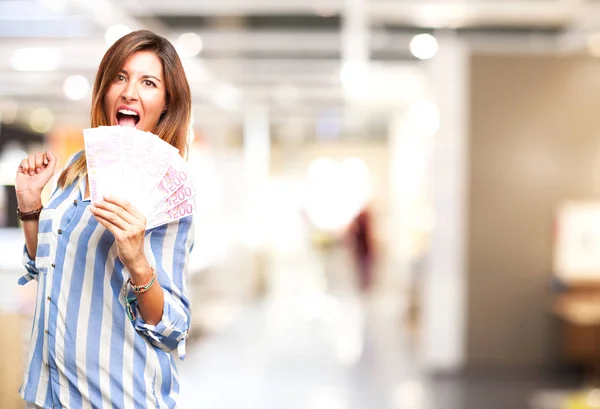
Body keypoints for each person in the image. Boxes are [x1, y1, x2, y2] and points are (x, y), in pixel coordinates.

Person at [14, 30, 194, 409]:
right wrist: (31, 207)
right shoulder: (76, 169)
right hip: (48, 392)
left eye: (148, 82)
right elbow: (46, 266)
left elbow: (174, 328)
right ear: (105, 89)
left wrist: (138, 264)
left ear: (165, 104)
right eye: (120, 77)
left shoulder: (165, 191)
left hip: (114, 397)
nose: (130, 92)